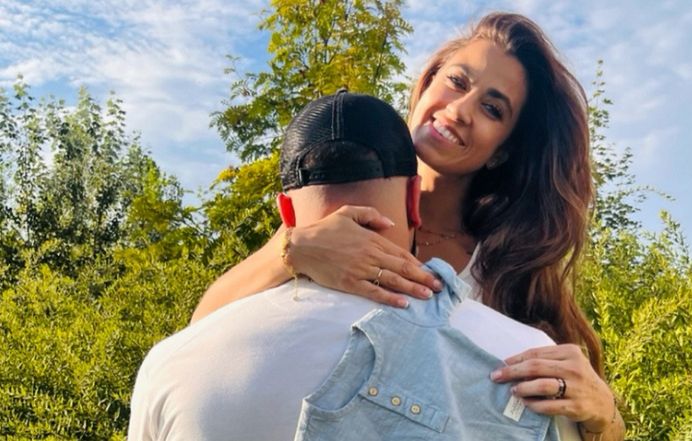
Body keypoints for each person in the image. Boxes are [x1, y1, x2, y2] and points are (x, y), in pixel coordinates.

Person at [192, 13, 625, 440]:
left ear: (502, 151)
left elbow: (557, 420)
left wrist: (604, 415)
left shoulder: (503, 268)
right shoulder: (332, 203)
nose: (459, 110)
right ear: (427, 84)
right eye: (457, 82)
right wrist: (291, 251)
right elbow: (201, 334)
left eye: (492, 109)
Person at [128, 91, 581, 440]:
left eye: (492, 107)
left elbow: (202, 325)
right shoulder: (530, 361)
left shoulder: (171, 364)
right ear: (413, 199)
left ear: (285, 212)